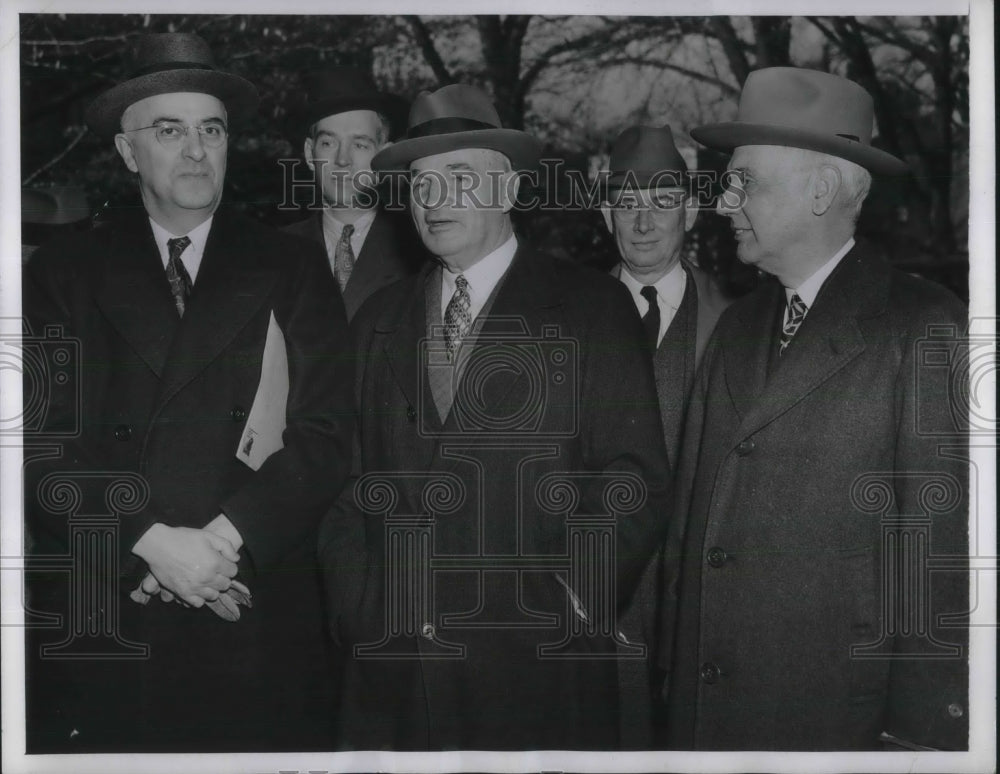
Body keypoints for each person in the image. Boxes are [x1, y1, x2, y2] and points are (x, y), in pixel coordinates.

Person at [23, 32, 354, 752]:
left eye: (212, 130)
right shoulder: (60, 273)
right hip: (111, 601)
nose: (197, 150)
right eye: (169, 131)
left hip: (252, 602)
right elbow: (37, 446)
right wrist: (149, 541)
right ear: (125, 151)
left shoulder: (292, 265)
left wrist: (218, 544)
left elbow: (329, 434)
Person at [318, 83, 672, 750]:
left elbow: (635, 480)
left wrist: (572, 597)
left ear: (507, 190)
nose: (433, 200)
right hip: (392, 676)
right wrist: (358, 610)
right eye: (421, 183)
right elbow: (344, 487)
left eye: (458, 177)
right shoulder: (377, 321)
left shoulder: (591, 308)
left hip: (535, 673)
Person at [663, 67, 969, 750]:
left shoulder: (923, 327)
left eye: (744, 182)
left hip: (835, 726)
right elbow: (690, 539)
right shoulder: (737, 327)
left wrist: (919, 739)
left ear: (821, 191)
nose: (722, 203)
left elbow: (938, 566)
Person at [599, 124, 731, 748]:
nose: (644, 222)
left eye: (661, 202)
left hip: (702, 601)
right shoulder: (569, 318)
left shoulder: (738, 322)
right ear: (606, 214)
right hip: (598, 601)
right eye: (627, 204)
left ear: (693, 209)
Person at [283, 67, 424, 319]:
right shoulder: (275, 252)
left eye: (360, 144)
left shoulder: (421, 249)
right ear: (309, 153)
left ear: (385, 157)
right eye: (328, 143)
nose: (342, 160)